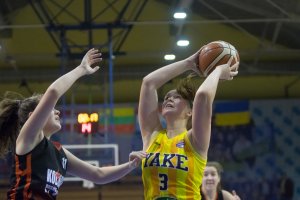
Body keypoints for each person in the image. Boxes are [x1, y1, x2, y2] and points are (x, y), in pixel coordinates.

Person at [0, 48, 146, 200]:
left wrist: (130, 165)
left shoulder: (59, 152)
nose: (57, 112)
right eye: (51, 109)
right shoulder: (28, 139)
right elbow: (53, 93)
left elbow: (98, 175)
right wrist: (81, 69)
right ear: (33, 117)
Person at [138, 48, 239, 199]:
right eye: (166, 97)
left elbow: (203, 95)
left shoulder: (194, 140)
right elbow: (148, 83)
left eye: (177, 97)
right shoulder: (152, 136)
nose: (169, 99)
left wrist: (217, 71)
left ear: (190, 111)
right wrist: (188, 63)